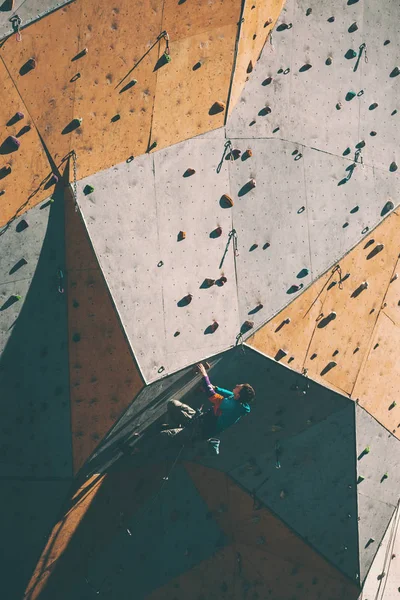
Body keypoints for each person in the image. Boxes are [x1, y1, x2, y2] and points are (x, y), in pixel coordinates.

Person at [160, 363, 255, 454]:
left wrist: (204, 375)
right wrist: (215, 387)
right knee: (172, 404)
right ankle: (179, 427)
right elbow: (228, 393)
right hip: (198, 419)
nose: (237, 385)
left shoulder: (231, 405)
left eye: (239, 387)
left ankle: (181, 439)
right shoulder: (239, 402)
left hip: (199, 431)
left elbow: (212, 395)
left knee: (164, 435)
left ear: (238, 395)